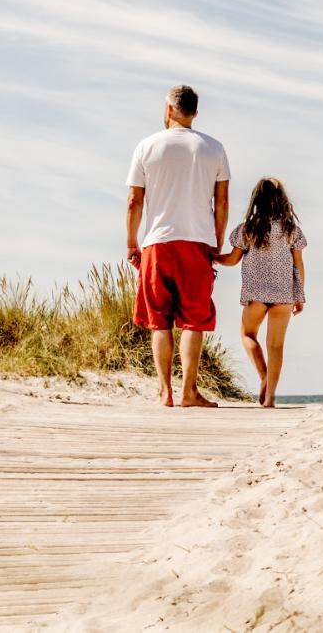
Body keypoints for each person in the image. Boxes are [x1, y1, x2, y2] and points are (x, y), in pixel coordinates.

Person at [125, 85, 230, 408]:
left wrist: (131, 242)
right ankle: (189, 391)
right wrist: (217, 240)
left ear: (169, 109)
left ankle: (165, 391)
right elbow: (222, 201)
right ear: (195, 113)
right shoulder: (214, 148)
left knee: (159, 320)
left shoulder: (146, 146)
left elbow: (134, 201)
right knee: (194, 320)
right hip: (197, 241)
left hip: (157, 243)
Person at [215, 177, 307, 408]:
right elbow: (298, 265)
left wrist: (212, 257)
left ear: (257, 200)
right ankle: (270, 397)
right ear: (282, 200)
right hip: (284, 295)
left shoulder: (248, 229)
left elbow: (232, 260)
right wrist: (299, 295)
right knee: (275, 346)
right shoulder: (291, 231)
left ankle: (264, 377)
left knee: (247, 334)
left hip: (256, 295)